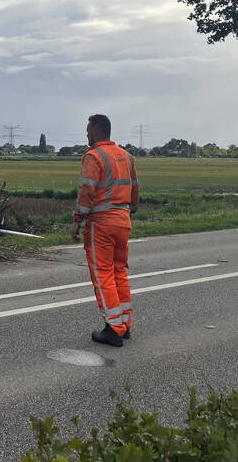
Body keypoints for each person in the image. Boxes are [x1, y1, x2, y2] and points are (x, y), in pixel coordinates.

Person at [69, 114, 140, 346]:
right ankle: (125, 324)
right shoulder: (126, 156)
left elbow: (87, 191)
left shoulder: (94, 156)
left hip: (101, 223)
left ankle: (113, 328)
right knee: (119, 271)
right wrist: (130, 209)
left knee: (103, 275)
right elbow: (135, 189)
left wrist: (77, 220)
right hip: (123, 220)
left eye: (88, 130)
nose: (86, 134)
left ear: (97, 132)